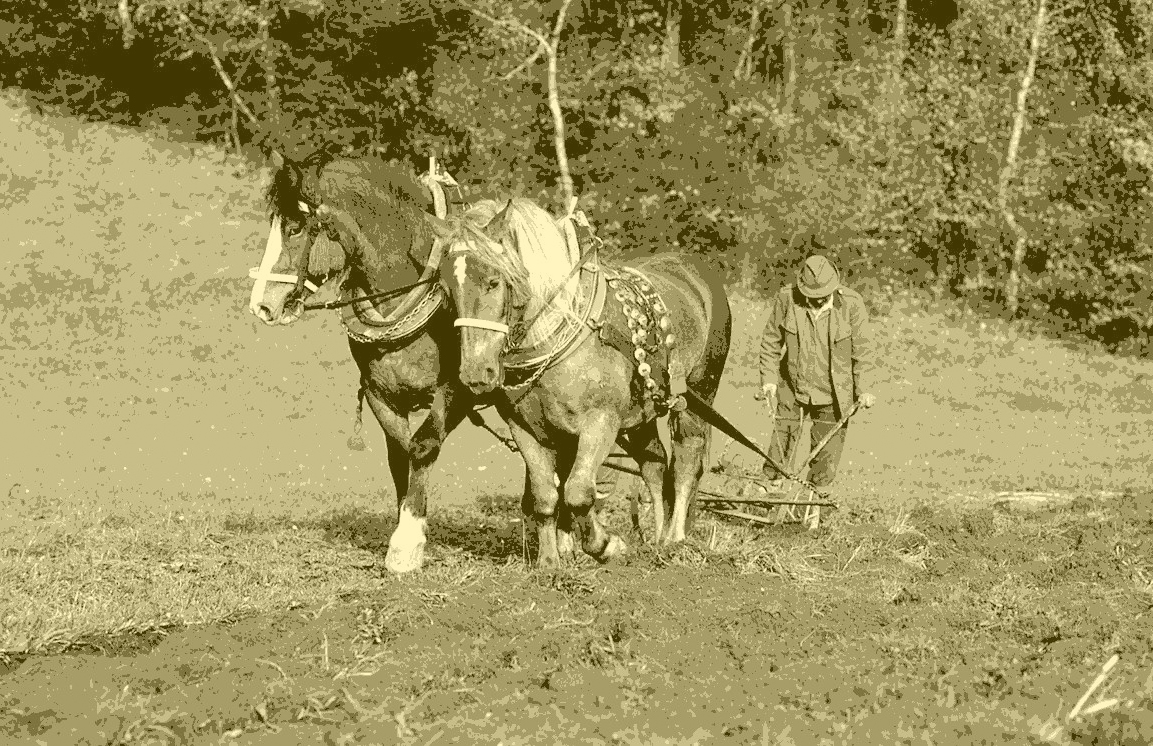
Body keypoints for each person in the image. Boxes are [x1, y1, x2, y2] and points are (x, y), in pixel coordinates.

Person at [757, 254, 877, 504]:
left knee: (826, 454)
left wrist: (864, 389)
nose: (819, 299)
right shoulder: (787, 299)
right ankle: (768, 494)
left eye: (825, 294)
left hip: (834, 393)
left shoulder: (851, 305)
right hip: (792, 385)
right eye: (813, 296)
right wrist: (768, 379)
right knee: (782, 441)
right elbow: (771, 341)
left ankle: (815, 506)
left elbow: (863, 350)